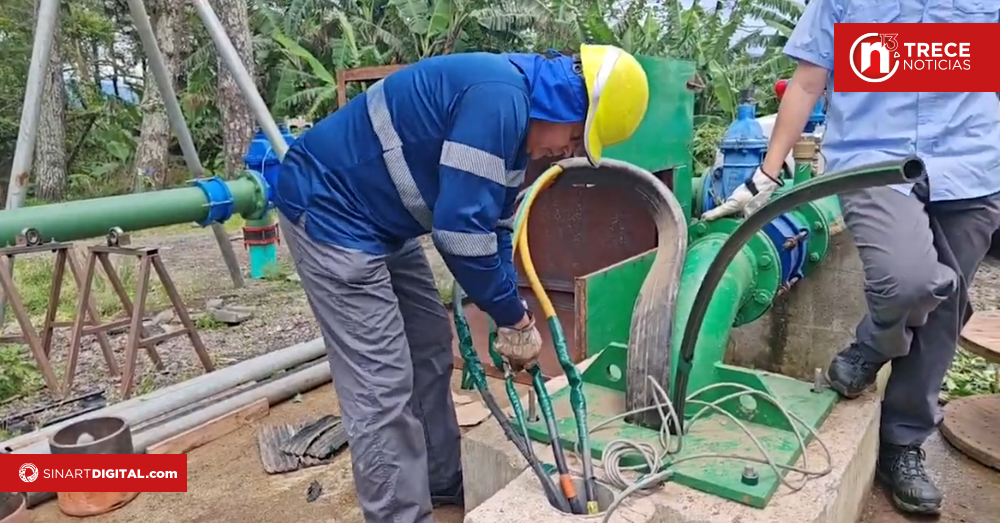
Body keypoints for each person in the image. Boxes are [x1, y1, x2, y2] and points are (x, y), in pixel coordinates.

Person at [271, 46, 649, 523]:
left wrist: (510, 306)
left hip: (384, 222)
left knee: (429, 342)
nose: (568, 150)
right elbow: (459, 234)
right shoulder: (498, 99)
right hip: (331, 211)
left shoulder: (519, 129)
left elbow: (497, 226)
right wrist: (513, 317)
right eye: (575, 135)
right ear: (564, 104)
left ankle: (440, 477)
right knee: (381, 383)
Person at [702, 0, 1000, 516]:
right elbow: (807, 82)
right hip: (874, 160)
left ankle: (902, 444)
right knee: (908, 281)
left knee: (947, 310)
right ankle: (873, 344)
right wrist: (768, 174)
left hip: (973, 164)